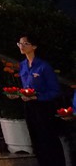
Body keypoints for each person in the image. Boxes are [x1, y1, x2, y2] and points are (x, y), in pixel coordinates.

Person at [17, 32, 65, 165]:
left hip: (44, 107)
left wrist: (37, 96)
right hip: (29, 106)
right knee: (36, 139)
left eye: (25, 43)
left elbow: (55, 90)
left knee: (48, 139)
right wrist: (19, 94)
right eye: (20, 43)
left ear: (34, 46)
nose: (22, 46)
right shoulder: (23, 65)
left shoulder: (44, 66)